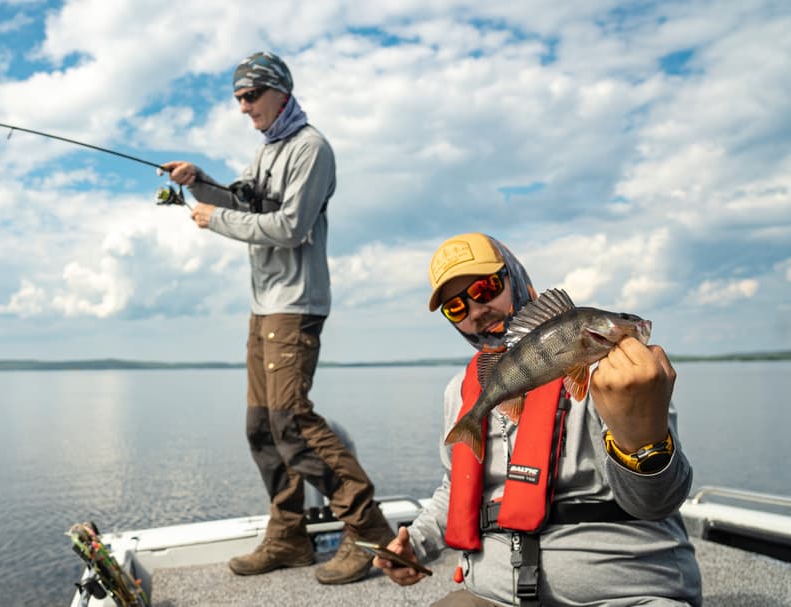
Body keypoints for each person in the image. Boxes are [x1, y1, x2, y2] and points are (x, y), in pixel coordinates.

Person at [160, 51, 394, 585]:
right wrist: (199, 182)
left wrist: (213, 218)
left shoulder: (311, 149)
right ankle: (288, 537)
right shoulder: (267, 152)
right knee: (261, 426)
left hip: (295, 306)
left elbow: (289, 227)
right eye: (238, 99)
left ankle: (370, 533)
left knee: (292, 422)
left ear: (279, 92)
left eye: (251, 96)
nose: (243, 108)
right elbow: (243, 203)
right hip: (263, 306)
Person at [374, 232, 702, 606]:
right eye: (456, 308)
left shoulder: (617, 373)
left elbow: (660, 500)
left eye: (485, 288)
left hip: (627, 596)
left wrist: (642, 436)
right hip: (494, 597)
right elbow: (455, 488)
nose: (476, 310)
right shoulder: (462, 392)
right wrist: (415, 544)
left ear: (516, 276)